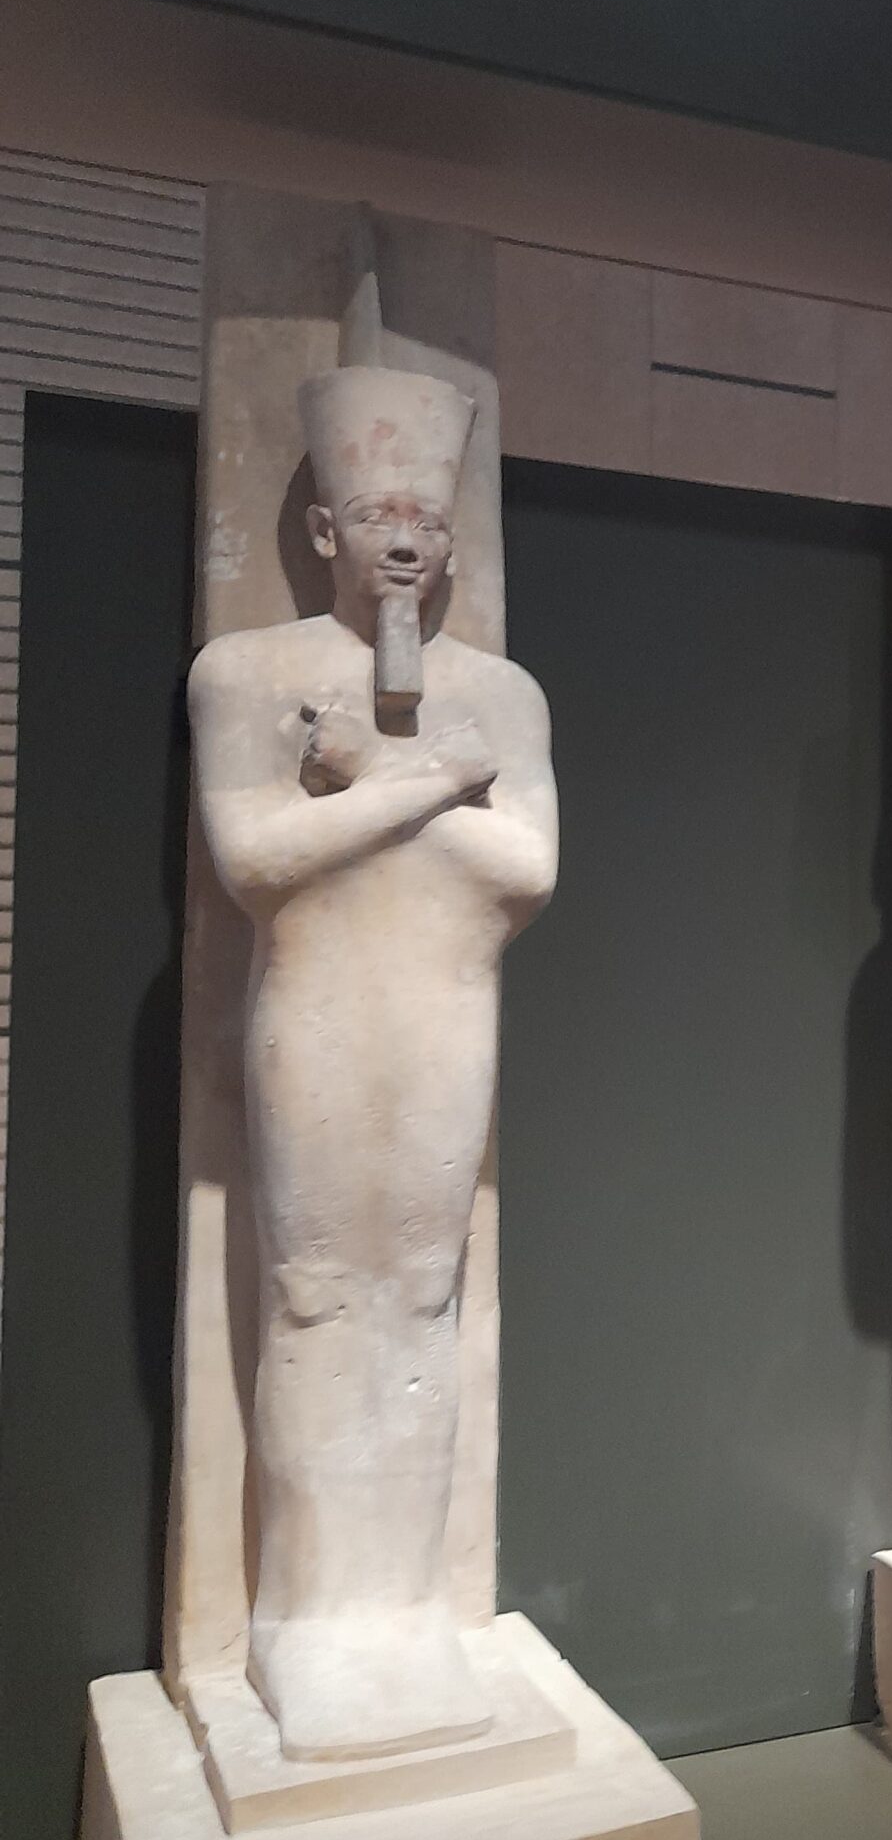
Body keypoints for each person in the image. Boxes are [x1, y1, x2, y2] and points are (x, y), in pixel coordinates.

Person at [190, 364, 558, 1758]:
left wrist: (384, 782)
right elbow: (254, 858)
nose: (406, 539)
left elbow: (526, 871)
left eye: (429, 518)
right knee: (315, 1295)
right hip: (320, 1021)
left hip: (445, 1018)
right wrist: (424, 784)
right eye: (378, 515)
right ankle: (311, 1618)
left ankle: (404, 1612)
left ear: (453, 539)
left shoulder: (499, 695)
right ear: (324, 531)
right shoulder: (247, 674)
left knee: (420, 1293)